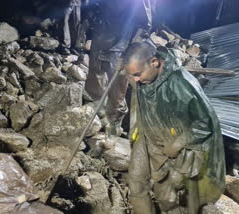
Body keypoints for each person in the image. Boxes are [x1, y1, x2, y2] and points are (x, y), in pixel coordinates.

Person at [123, 42, 226, 214]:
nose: (136, 80)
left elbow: (204, 122)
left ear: (154, 62)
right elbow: (137, 80)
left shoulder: (180, 83)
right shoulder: (145, 75)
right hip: (148, 138)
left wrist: (179, 143)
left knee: (168, 199)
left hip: (173, 147)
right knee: (135, 182)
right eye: (132, 75)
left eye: (138, 74)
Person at [85, 0, 155, 136]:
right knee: (95, 74)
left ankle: (114, 122)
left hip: (120, 44)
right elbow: (94, 10)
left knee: (118, 85)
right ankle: (97, 109)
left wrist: (130, 50)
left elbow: (144, 26)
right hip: (100, 38)